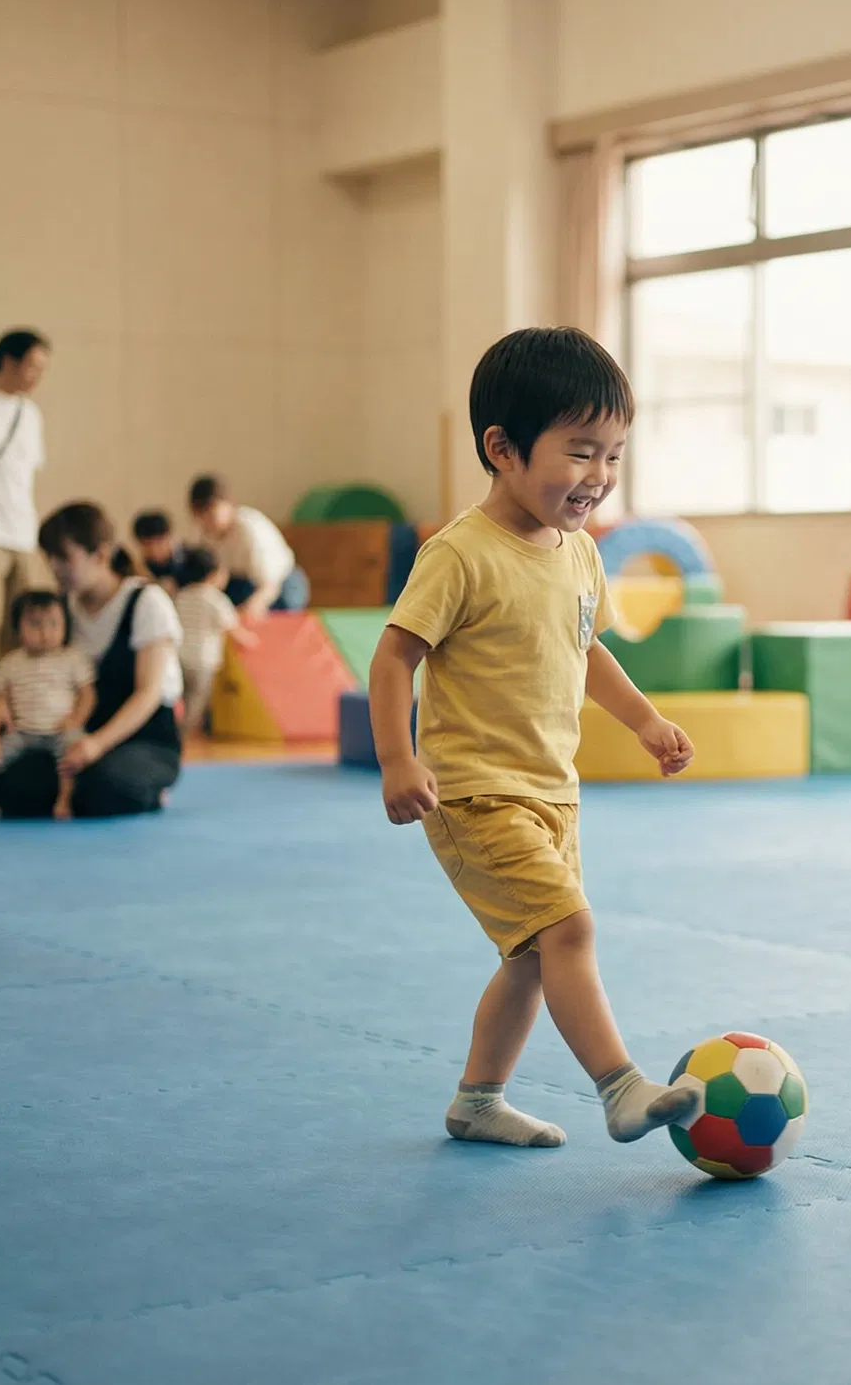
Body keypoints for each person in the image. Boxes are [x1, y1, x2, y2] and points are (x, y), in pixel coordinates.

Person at [369, 326, 701, 1152]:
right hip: (474, 792)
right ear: (503, 448)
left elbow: (587, 650)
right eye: (581, 452)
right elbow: (392, 657)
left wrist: (646, 719)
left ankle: (477, 1101)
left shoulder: (581, 555)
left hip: (553, 790)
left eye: (614, 455)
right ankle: (621, 1087)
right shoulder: (461, 555)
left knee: (531, 954)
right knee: (570, 930)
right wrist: (397, 758)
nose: (600, 477)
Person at [0, 503, 183, 819]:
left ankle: (149, 788)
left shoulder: (146, 603)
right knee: (13, 785)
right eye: (49, 558)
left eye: (64, 558)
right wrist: (1, 703)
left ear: (101, 555)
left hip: (143, 738)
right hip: (77, 735)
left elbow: (148, 693)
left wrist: (97, 744)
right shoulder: (62, 609)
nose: (54, 567)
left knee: (103, 788)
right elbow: (26, 666)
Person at [0, 591, 94, 820]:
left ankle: (65, 800)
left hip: (60, 728)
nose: (45, 632)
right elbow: (0, 698)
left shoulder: (72, 659)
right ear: (18, 629)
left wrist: (76, 720)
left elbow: (88, 695)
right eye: (35, 625)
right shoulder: (11, 662)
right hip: (21, 731)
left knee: (71, 755)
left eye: (54, 624)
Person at [0, 329, 53, 657]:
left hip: (23, 536)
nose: (37, 376)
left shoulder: (30, 415)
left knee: (23, 627)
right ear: (8, 361)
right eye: (32, 366)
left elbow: (26, 479)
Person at [187, 475, 308, 622]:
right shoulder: (205, 537)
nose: (206, 521)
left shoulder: (249, 529)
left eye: (211, 512)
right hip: (241, 583)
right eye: (200, 516)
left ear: (228, 505)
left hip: (281, 584)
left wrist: (250, 609)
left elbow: (270, 585)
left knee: (278, 614)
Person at [172, 546, 256, 736]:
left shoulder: (182, 596)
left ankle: (177, 727)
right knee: (198, 700)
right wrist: (250, 640)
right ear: (212, 575)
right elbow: (232, 628)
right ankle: (181, 733)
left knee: (183, 697)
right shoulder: (215, 599)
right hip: (202, 661)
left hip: (180, 657)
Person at [131, 510, 200, 595]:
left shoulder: (195, 558)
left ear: (169, 536)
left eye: (159, 543)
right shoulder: (139, 571)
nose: (154, 550)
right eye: (147, 544)